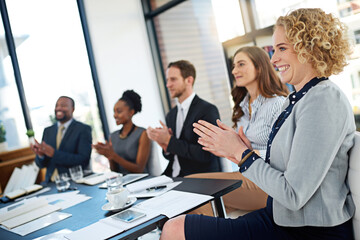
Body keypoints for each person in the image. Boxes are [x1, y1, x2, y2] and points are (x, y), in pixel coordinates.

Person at [161, 8, 355, 240]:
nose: (273, 59)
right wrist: (241, 152)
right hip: (282, 218)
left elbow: (293, 194)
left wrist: (242, 154)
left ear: (308, 49)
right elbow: (286, 171)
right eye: (274, 50)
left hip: (309, 230)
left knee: (175, 228)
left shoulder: (323, 99)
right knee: (176, 225)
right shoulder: (298, 100)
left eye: (282, 48)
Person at [187, 46, 289, 215]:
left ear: (259, 67)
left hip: (270, 181)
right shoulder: (242, 106)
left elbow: (284, 155)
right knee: (197, 201)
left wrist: (247, 151)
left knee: (194, 184)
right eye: (234, 65)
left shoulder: (277, 105)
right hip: (248, 174)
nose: (234, 70)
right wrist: (229, 148)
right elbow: (241, 154)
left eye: (241, 64)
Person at [147, 60, 221, 177]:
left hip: (200, 180)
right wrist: (165, 146)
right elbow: (172, 156)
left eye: (173, 79)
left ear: (189, 80)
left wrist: (169, 140)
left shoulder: (207, 110)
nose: (168, 85)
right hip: (173, 176)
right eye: (167, 80)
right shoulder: (171, 115)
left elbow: (206, 155)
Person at [31, 96, 92, 183]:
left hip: (73, 181)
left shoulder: (83, 129)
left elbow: (83, 160)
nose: (58, 108)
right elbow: (41, 165)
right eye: (57, 105)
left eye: (63, 105)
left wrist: (54, 154)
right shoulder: (48, 131)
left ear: (73, 109)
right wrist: (41, 155)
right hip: (50, 183)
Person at [92, 90, 151, 174]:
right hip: (122, 182)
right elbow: (114, 170)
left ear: (131, 112)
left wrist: (113, 155)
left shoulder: (142, 133)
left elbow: (139, 169)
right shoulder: (113, 136)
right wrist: (108, 155)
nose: (115, 115)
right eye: (114, 112)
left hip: (141, 181)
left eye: (119, 111)